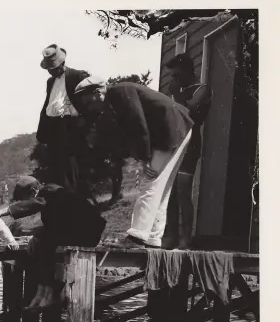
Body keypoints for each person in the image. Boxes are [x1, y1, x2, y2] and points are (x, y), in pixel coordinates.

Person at [74, 76, 193, 249]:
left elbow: (138, 123)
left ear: (98, 92)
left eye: (89, 102)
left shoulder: (118, 93)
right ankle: (153, 237)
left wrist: (145, 158)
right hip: (178, 127)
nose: (91, 108)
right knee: (162, 188)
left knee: (150, 182)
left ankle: (137, 236)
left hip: (170, 130)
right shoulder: (118, 95)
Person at [0, 176, 106, 310]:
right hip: (81, 232)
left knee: (44, 244)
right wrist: (34, 235)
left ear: (34, 191)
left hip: (88, 233)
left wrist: (3, 211)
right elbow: (54, 226)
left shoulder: (49, 191)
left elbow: (36, 205)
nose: (26, 202)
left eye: (26, 198)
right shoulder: (54, 200)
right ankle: (41, 294)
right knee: (41, 243)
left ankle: (48, 296)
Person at [162, 52, 213, 249]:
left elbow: (188, 113)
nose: (173, 79)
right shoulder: (178, 91)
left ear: (185, 71)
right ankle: (170, 235)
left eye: (175, 75)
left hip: (190, 144)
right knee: (171, 193)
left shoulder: (203, 89)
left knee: (183, 191)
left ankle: (185, 238)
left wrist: (175, 95)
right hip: (173, 144)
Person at [36, 44, 91, 196]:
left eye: (53, 67)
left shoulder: (78, 76)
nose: (50, 71)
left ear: (62, 63)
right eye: (49, 68)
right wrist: (42, 134)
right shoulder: (50, 82)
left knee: (71, 170)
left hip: (70, 128)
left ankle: (75, 205)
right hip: (54, 130)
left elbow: (89, 104)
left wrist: (83, 125)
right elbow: (48, 105)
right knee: (57, 172)